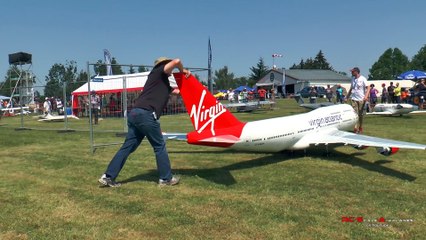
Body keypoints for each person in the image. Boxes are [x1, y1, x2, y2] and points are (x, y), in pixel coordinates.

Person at [98, 57, 190, 187]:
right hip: (146, 114)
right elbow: (177, 61)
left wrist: (194, 87)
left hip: (135, 114)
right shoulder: (158, 71)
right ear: (162, 65)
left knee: (127, 147)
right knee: (159, 146)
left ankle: (108, 176)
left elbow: (177, 92)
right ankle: (166, 179)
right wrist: (183, 70)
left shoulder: (162, 82)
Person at [345, 67, 370, 134]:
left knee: (360, 114)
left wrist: (366, 96)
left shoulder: (363, 79)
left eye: (352, 71)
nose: (351, 73)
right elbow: (351, 88)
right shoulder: (353, 79)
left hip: (361, 99)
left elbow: (368, 88)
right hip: (354, 99)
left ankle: (360, 127)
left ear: (356, 72)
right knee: (354, 114)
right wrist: (347, 97)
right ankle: (355, 128)